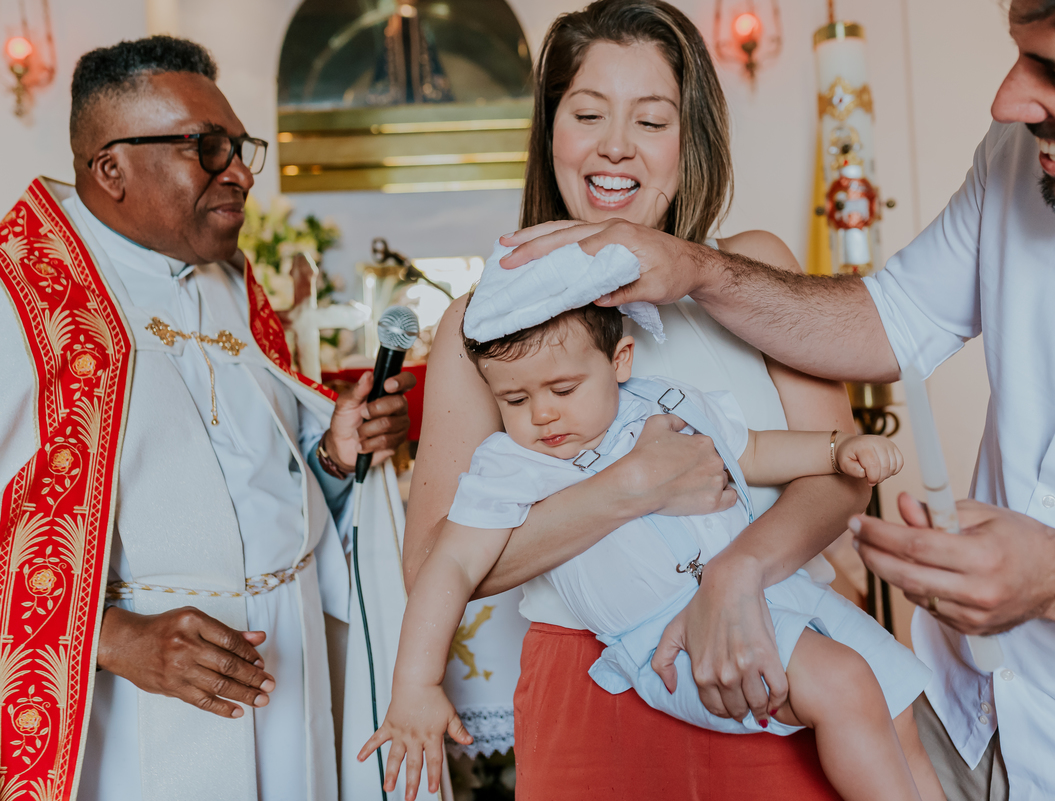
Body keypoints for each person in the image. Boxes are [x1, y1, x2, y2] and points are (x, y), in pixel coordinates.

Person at [500, 0, 1055, 798]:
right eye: (1021, 55)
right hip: (959, 719)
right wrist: (701, 272)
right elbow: (889, 318)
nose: (1007, 100)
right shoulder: (1025, 158)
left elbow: (822, 465)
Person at [403, 1, 875, 797]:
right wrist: (632, 486)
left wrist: (739, 575)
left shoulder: (752, 268)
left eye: (650, 121)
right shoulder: (481, 327)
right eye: (587, 114)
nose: (615, 145)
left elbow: (840, 471)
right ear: (551, 132)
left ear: (688, 142)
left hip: (770, 649)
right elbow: (435, 566)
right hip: (595, 680)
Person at [0, 37, 415, 801]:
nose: (243, 169)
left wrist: (329, 456)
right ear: (110, 168)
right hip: (144, 713)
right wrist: (114, 640)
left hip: (291, 671)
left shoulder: (233, 281)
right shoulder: (20, 297)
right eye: (208, 146)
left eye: (238, 144)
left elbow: (264, 479)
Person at [368, 286, 941, 801]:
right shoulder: (512, 465)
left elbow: (754, 453)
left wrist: (835, 450)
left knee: (896, 704)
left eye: (563, 389)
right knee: (843, 685)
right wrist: (416, 684)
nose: (542, 414)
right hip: (672, 636)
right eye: (514, 401)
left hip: (777, 591)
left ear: (619, 361)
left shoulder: (664, 402)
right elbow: (449, 565)